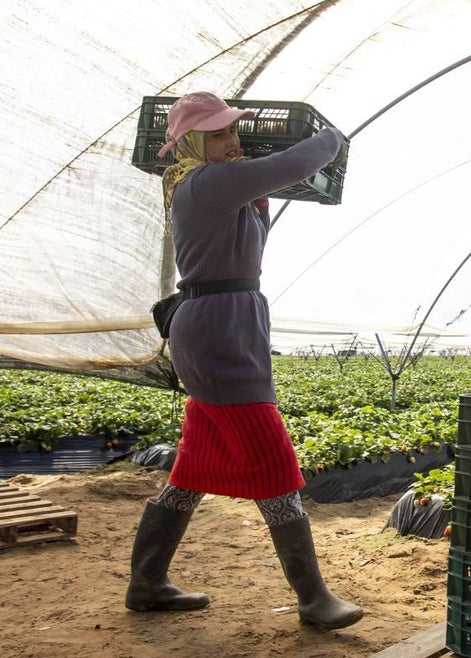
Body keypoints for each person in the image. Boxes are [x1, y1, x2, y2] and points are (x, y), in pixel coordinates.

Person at [124, 92, 362, 630]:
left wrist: (260, 200)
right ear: (191, 142)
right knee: (272, 459)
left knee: (192, 466)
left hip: (227, 322)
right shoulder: (204, 183)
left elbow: (257, 214)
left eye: (233, 132)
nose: (232, 141)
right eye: (218, 134)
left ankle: (147, 582)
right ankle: (313, 597)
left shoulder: (216, 184)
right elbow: (296, 163)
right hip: (218, 332)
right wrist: (331, 141)